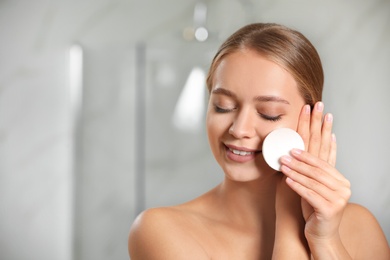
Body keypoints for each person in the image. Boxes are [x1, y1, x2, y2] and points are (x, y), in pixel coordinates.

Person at [128, 23, 389, 259]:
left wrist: (325, 240)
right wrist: (289, 212)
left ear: (309, 121)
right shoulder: (161, 230)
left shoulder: (360, 227)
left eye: (269, 114)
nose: (239, 129)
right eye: (223, 106)